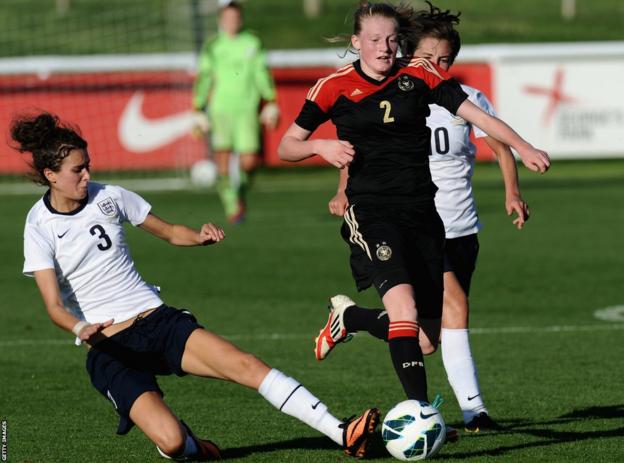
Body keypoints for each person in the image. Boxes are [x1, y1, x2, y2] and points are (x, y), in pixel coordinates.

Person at [14, 112, 379, 461]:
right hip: (109, 348)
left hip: (157, 321)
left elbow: (170, 231)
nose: (87, 174)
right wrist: (81, 327)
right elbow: (53, 306)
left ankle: (342, 431)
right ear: (51, 175)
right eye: (78, 169)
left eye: (88, 164)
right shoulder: (38, 226)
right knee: (171, 442)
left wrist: (198, 237)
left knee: (246, 365)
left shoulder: (110, 196)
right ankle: (190, 445)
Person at [278, 1, 549, 416]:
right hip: (372, 214)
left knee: (423, 338)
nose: (385, 48)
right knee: (404, 309)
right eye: (374, 40)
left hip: (424, 215)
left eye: (390, 39)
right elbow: (286, 146)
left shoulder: (419, 75)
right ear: (356, 43)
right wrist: (320, 145)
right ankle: (422, 414)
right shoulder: (332, 87)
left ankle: (351, 320)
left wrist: (524, 146)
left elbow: (481, 118)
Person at [192, 0, 279, 223]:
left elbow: (261, 72)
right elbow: (204, 77)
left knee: (250, 161)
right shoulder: (213, 45)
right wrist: (198, 107)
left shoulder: (252, 42)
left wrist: (270, 100)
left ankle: (239, 190)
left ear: (240, 19)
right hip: (221, 109)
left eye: (236, 17)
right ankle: (231, 203)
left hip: (247, 109)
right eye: (228, 18)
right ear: (221, 20)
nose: (232, 22)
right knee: (223, 155)